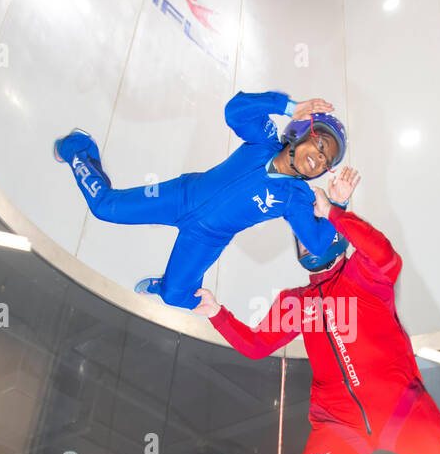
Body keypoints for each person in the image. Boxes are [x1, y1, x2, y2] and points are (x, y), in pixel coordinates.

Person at [194, 174, 440, 454]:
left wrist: (336, 212)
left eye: (312, 236)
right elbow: (256, 346)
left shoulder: (364, 275)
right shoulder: (297, 302)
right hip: (338, 426)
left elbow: (386, 255)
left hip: (404, 412)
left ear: (333, 237)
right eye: (301, 243)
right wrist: (216, 312)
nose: (307, 247)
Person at [54, 92, 351, 310]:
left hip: (206, 238)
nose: (319, 157)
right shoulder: (265, 140)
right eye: (321, 144)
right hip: (181, 197)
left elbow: (316, 243)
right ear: (303, 133)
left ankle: (166, 284)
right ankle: (79, 147)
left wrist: (337, 207)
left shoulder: (296, 197)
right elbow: (235, 111)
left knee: (174, 297)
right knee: (104, 208)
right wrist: (288, 106)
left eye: (327, 159)